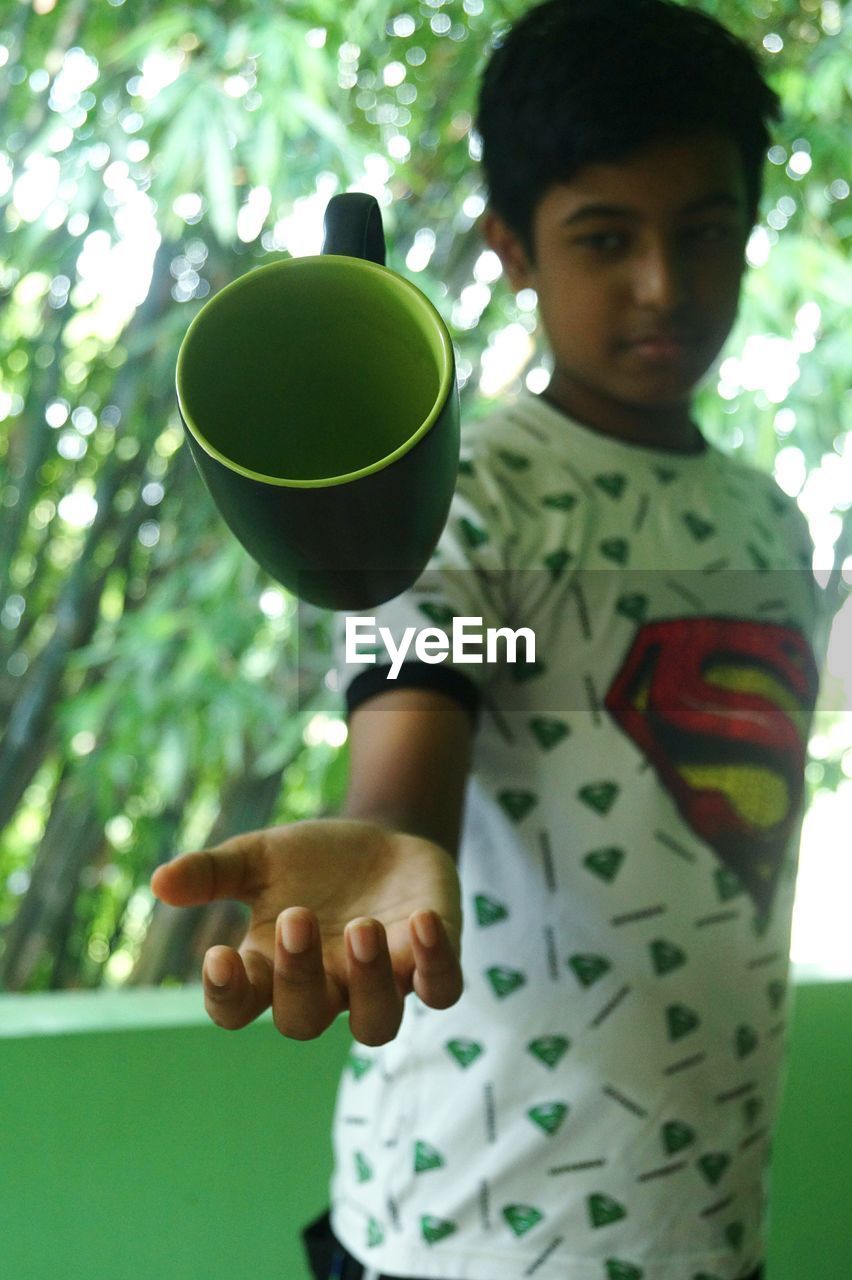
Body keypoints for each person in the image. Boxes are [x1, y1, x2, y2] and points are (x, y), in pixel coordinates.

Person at [150, 2, 826, 1278]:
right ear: (514, 248)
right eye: (605, 237)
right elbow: (427, 691)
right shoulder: (477, 495)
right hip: (461, 1237)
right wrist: (394, 837)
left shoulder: (769, 519)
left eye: (704, 232)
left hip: (706, 1225)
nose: (662, 285)